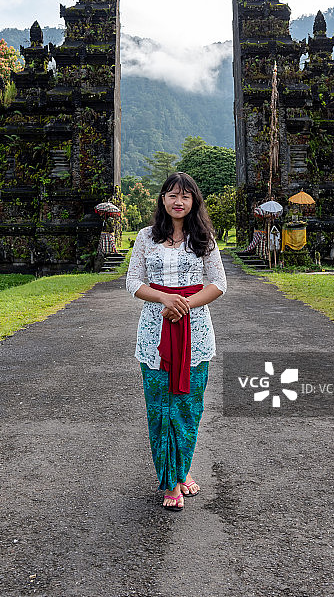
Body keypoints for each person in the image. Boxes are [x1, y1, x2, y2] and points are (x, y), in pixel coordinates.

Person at [126, 172, 227, 511]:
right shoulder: (145, 237)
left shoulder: (204, 238)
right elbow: (133, 282)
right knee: (160, 408)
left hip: (194, 331)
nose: (178, 201)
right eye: (172, 195)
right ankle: (169, 481)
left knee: (188, 407)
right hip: (154, 330)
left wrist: (183, 304)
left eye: (185, 196)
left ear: (194, 201)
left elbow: (218, 284)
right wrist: (163, 300)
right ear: (163, 200)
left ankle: (182, 472)